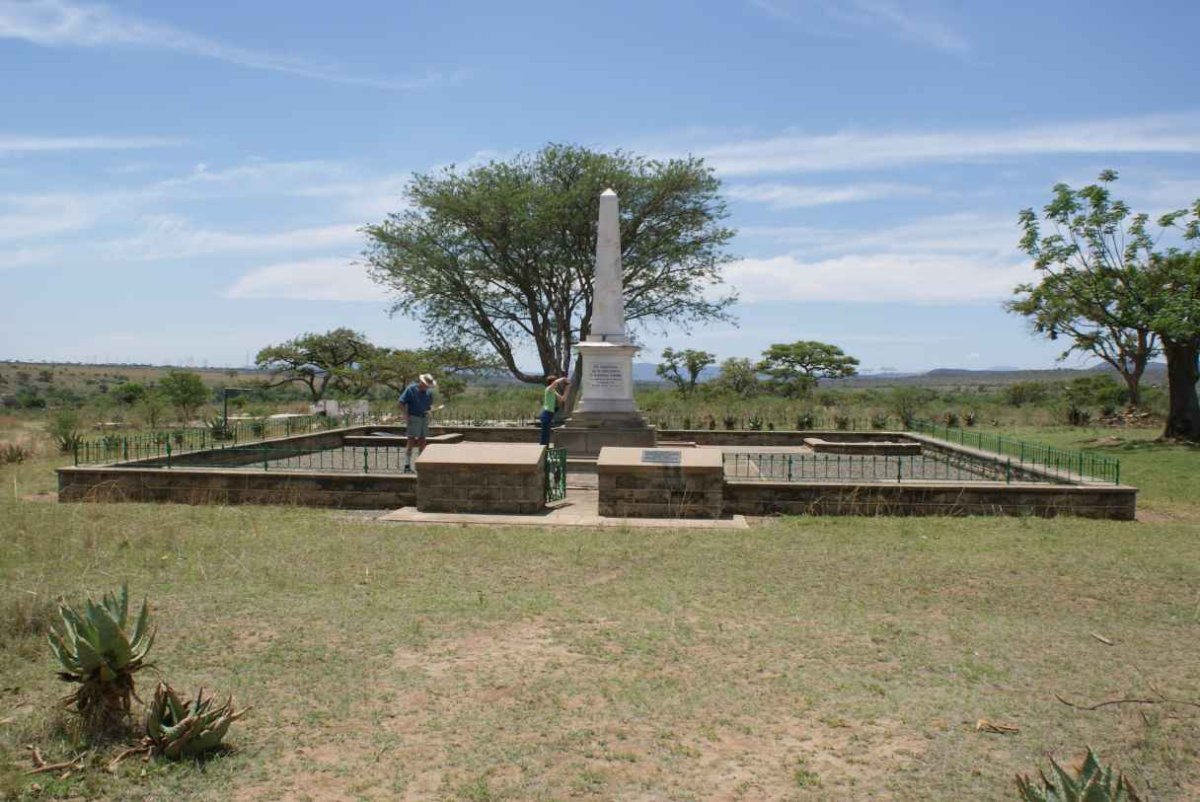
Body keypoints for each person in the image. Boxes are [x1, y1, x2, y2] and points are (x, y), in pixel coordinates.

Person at [399, 373, 436, 472]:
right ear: (421, 382)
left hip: (424, 418)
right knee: (411, 441)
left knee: (423, 441)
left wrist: (431, 411)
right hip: (413, 417)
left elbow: (430, 405)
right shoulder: (411, 389)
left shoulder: (429, 392)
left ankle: (420, 465)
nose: (426, 387)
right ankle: (407, 465)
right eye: (425, 385)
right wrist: (405, 415)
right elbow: (401, 403)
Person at [540, 375, 569, 446]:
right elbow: (556, 383)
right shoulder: (548, 389)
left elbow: (563, 399)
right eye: (554, 382)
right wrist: (563, 378)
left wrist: (567, 387)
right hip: (546, 414)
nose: (556, 384)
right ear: (551, 382)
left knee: (547, 434)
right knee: (545, 435)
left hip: (550, 414)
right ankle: (543, 450)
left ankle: (545, 450)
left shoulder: (553, 391)